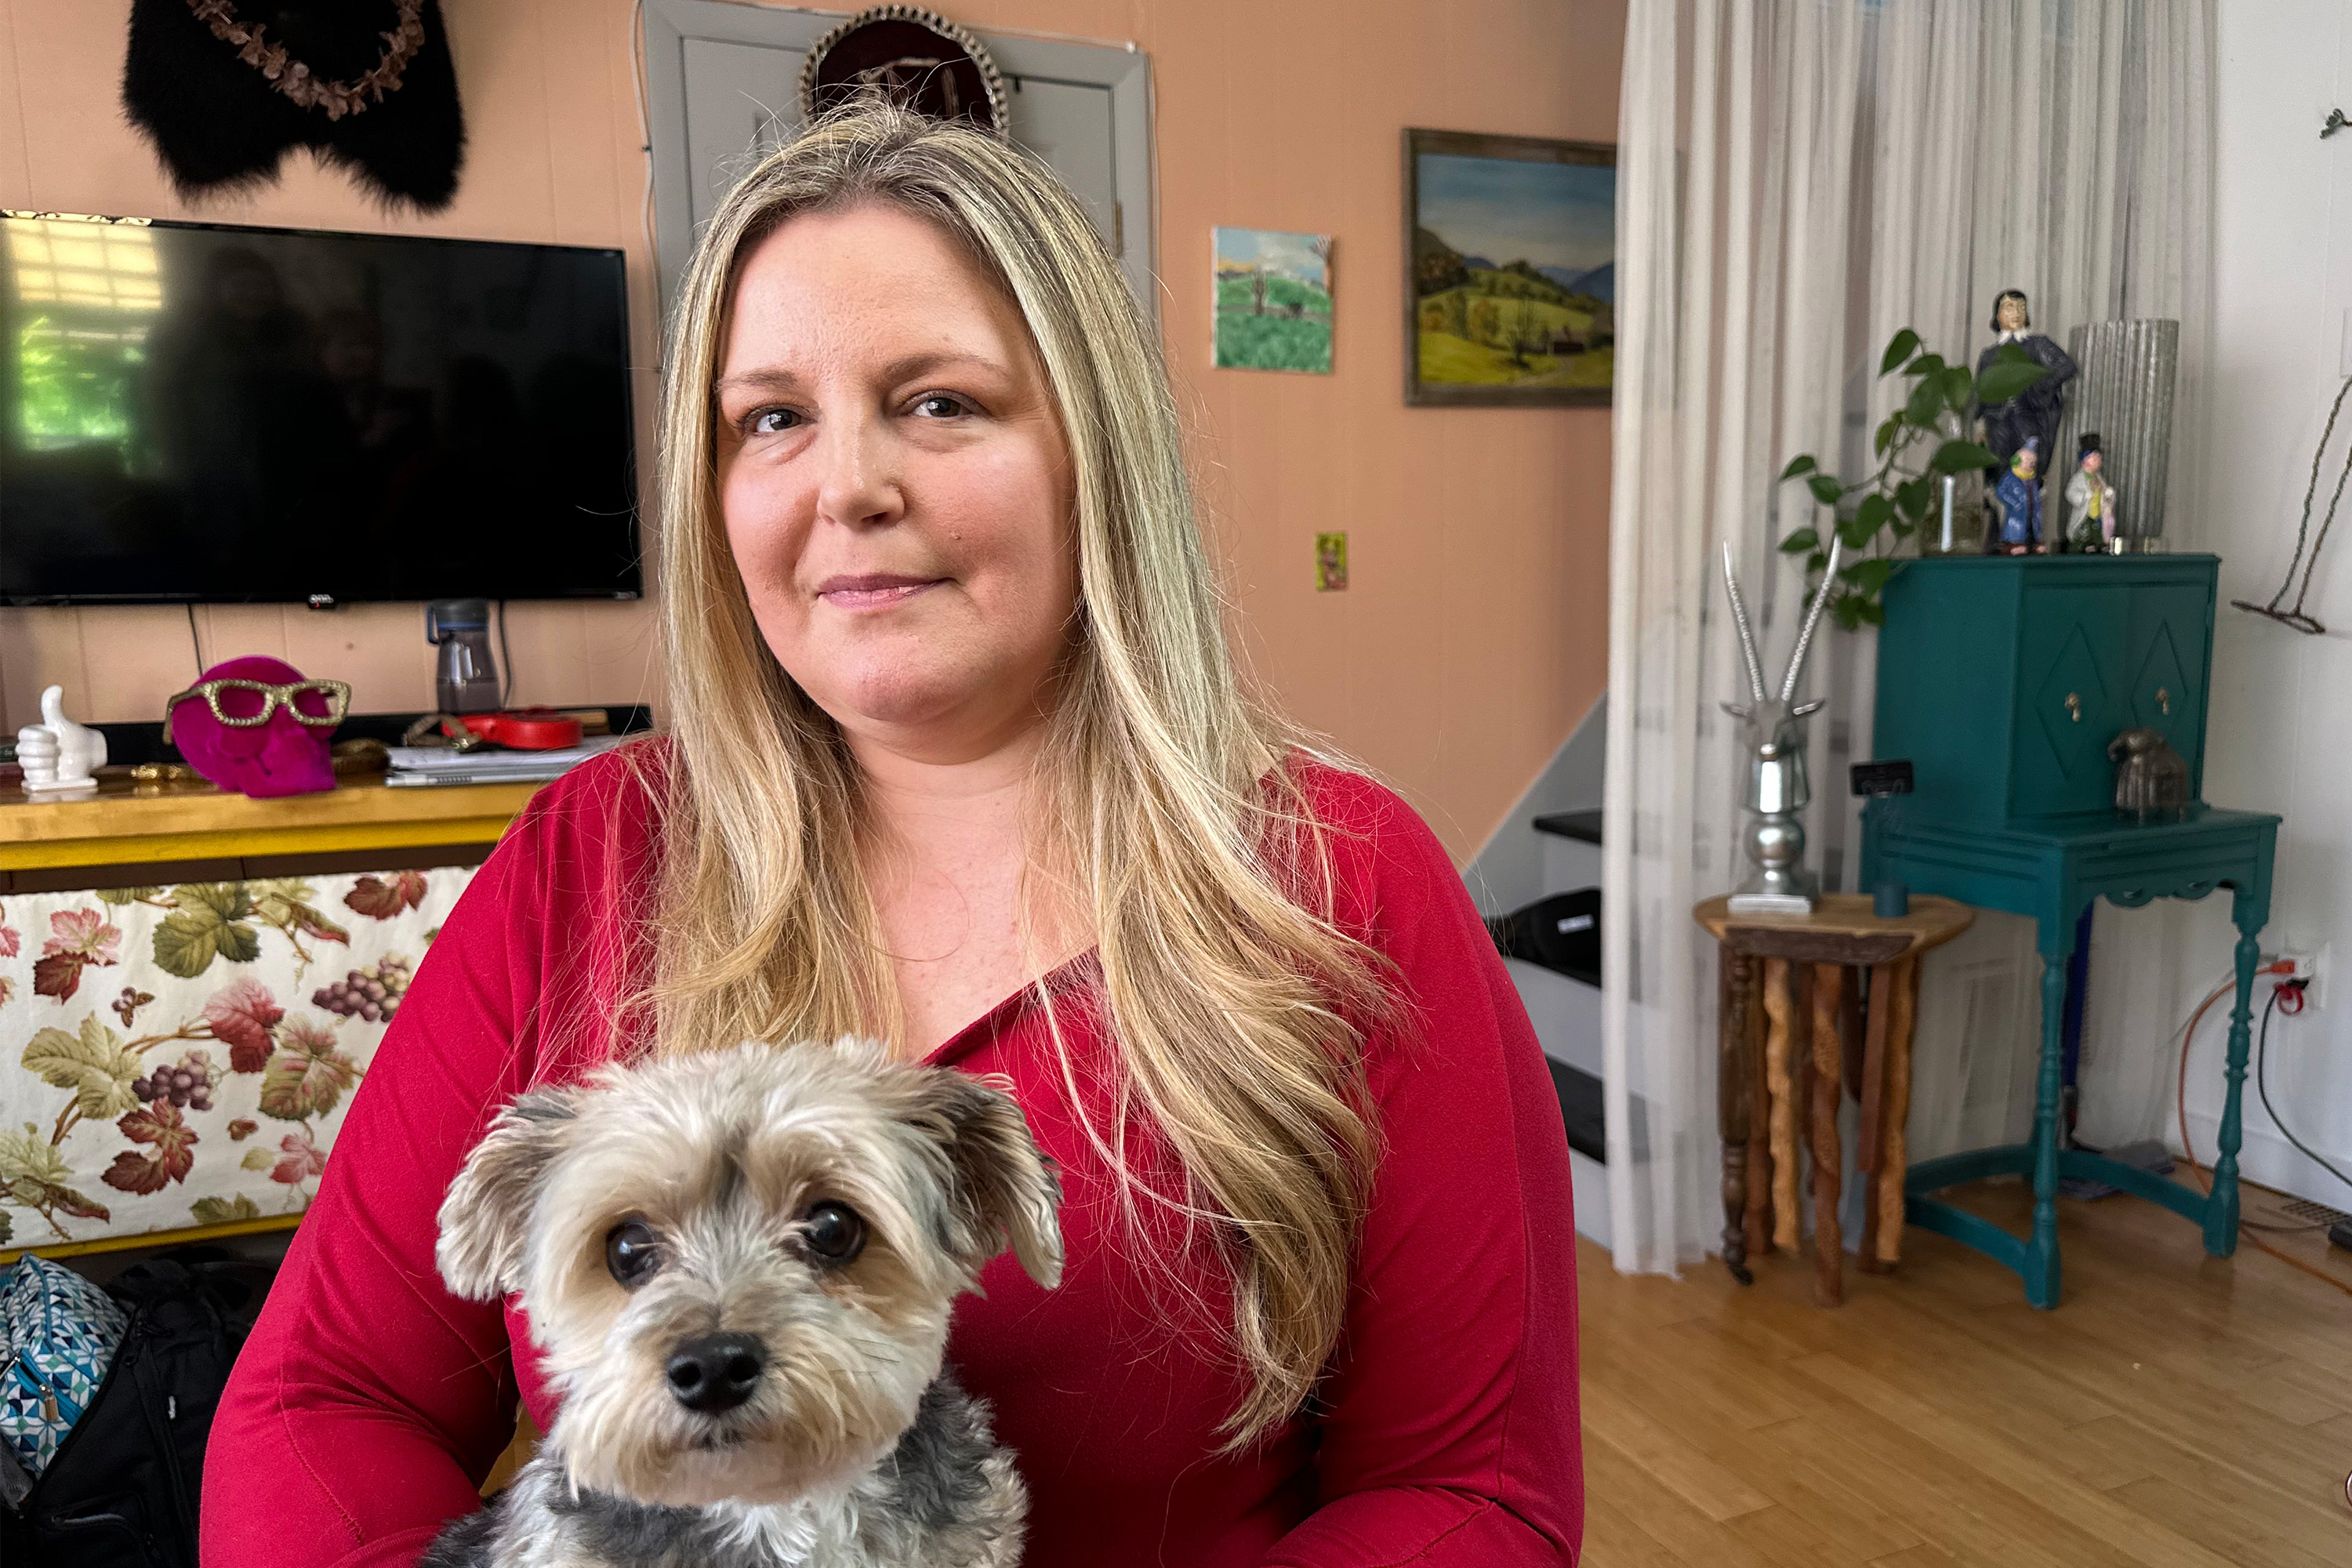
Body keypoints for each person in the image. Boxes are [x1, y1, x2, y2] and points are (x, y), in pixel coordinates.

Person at [200, 102, 1582, 1566]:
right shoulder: (587, 857)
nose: (846, 485)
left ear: (1094, 454)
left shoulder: (1341, 886)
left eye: (939, 402)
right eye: (772, 419)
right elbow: (322, 1401)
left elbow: (1473, 1496)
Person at [1976, 288, 2075, 495]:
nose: (2016, 313)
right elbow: (1980, 390)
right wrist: (1975, 420)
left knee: (2029, 469)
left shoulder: (2038, 345)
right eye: (2009, 307)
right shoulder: (1989, 355)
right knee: (1999, 472)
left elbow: (2067, 367)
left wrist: (2039, 386)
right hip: (1997, 422)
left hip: (2028, 419)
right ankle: (1999, 511)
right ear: (1997, 315)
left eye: (2021, 307)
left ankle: (2030, 511)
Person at [2066, 433, 2118, 551]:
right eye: (2094, 457)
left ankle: (2096, 548)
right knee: (2081, 538)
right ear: (2084, 460)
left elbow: (2105, 493)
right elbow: (2070, 493)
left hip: (2097, 516)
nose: (2098, 460)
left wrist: (2108, 495)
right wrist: (2086, 495)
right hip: (2085, 517)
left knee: (2098, 537)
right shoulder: (2079, 479)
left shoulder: (2099, 478)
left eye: (2098, 457)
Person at [1994, 439, 2045, 554]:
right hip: (2018, 512)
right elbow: (2000, 491)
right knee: (2017, 528)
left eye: (2033, 460)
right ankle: (2014, 543)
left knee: (2032, 526)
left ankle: (2033, 542)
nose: (2032, 463)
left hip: (2032, 509)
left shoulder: (2032, 479)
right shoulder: (2010, 477)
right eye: (2028, 460)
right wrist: (2014, 503)